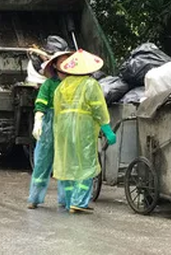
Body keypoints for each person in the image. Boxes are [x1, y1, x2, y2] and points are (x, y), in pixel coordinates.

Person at [53, 49, 116, 213]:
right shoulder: (90, 84)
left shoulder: (62, 86)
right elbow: (98, 108)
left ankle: (68, 201)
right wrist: (107, 129)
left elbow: (57, 110)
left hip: (64, 128)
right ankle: (79, 202)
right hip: (83, 128)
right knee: (86, 164)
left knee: (68, 163)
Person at [27, 39, 72, 210]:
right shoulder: (49, 85)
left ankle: (67, 200)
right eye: (60, 63)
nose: (63, 66)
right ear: (54, 66)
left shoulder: (73, 85)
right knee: (42, 162)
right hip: (49, 125)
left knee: (66, 163)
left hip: (67, 125)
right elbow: (41, 104)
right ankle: (35, 198)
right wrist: (38, 121)